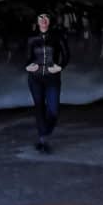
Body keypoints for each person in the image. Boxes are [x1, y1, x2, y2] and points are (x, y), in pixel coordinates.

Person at [24, 12, 69, 153]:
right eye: (40, 18)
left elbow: (66, 54)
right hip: (35, 78)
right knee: (39, 108)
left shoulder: (57, 37)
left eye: (46, 18)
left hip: (52, 78)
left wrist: (60, 66)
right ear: (37, 22)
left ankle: (45, 133)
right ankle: (43, 140)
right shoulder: (32, 38)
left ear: (49, 21)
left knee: (53, 110)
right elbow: (27, 57)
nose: (43, 20)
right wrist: (28, 66)